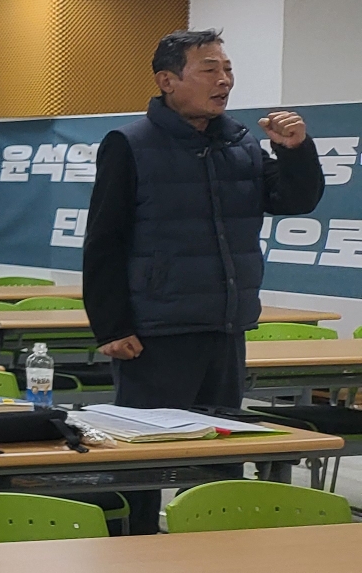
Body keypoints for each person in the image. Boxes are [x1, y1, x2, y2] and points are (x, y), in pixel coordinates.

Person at [82, 28, 323, 533]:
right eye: (209, 69)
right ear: (167, 80)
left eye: (227, 69)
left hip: (224, 324)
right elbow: (104, 238)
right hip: (155, 331)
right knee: (145, 457)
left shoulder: (240, 143)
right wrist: (111, 325)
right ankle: (134, 550)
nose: (224, 80)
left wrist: (295, 151)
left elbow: (294, 200)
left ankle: (215, 549)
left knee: (220, 453)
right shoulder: (130, 144)